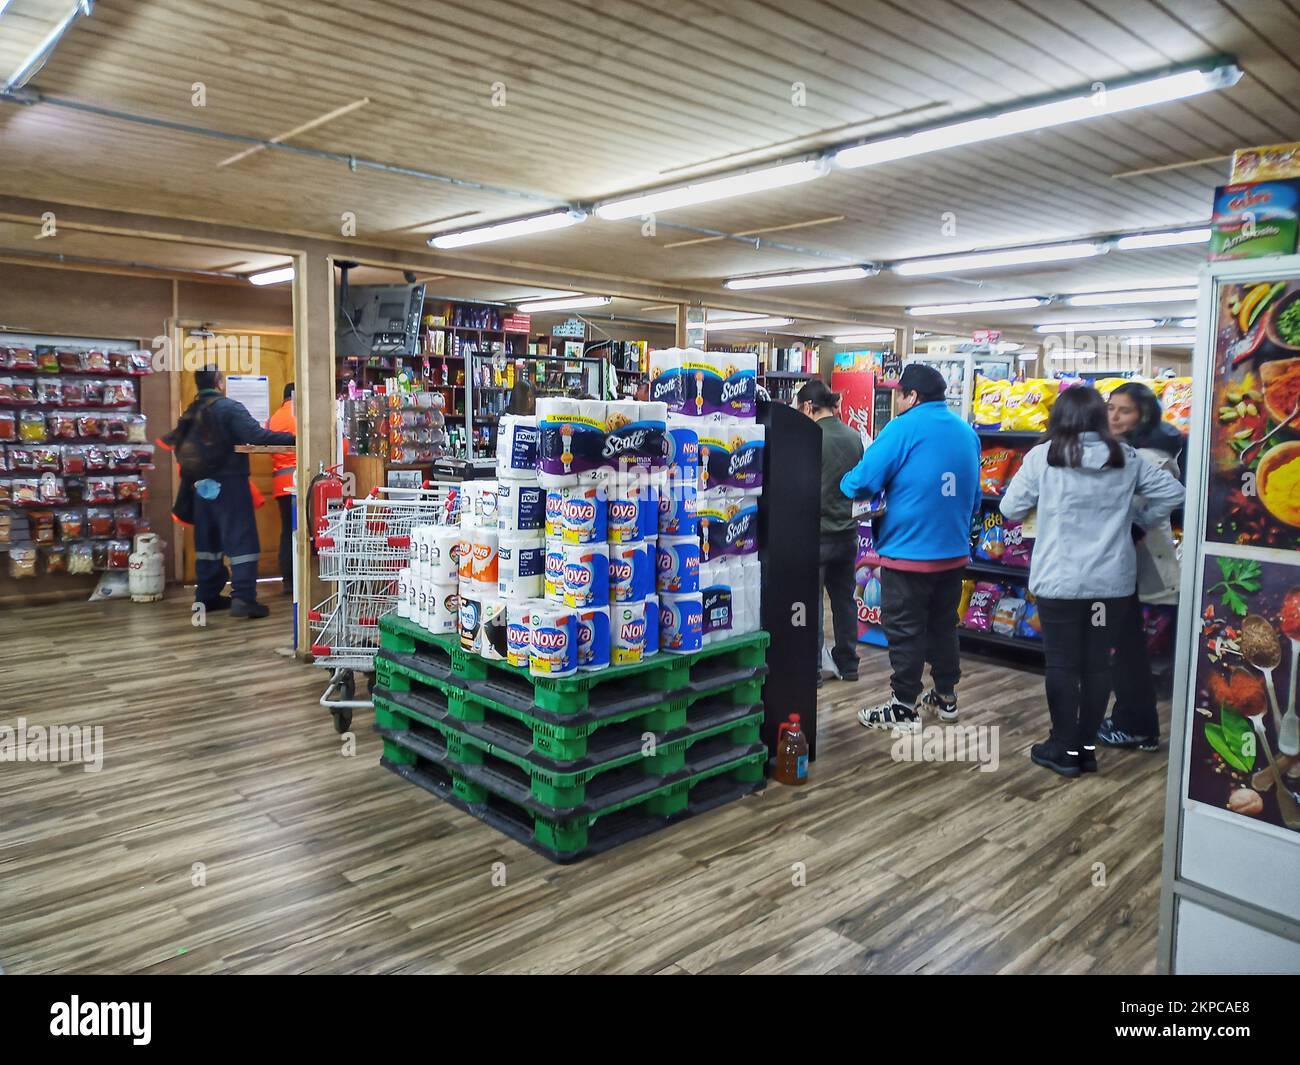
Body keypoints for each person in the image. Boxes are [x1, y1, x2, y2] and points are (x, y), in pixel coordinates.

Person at [1000, 386, 1184, 777]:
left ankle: (1063, 747)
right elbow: (1174, 491)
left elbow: (1010, 508)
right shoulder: (1126, 457)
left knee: (1063, 664)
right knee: (1097, 665)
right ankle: (1085, 747)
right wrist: (1142, 519)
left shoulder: (1042, 457)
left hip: (1060, 583)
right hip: (1109, 587)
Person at [841, 363, 981, 732]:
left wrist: (844, 483)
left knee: (905, 628)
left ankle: (903, 707)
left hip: (910, 552)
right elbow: (975, 496)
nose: (897, 401)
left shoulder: (902, 427)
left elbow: (862, 481)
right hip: (953, 552)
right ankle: (946, 697)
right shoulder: (967, 433)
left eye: (898, 395)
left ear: (911, 396)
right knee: (943, 625)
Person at [165, 366, 296, 620]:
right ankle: (244, 599)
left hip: (200, 487)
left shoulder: (191, 412)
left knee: (208, 542)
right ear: (219, 382)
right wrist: (293, 439)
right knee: (241, 541)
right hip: (230, 486)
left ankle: (206, 595)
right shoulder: (229, 408)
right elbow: (254, 435)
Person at [1097, 382, 1185, 751]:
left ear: (1143, 416)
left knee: (1124, 645)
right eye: (1111, 407)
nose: (1114, 416)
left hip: (1130, 562)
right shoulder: (1128, 449)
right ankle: (1133, 719)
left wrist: (1137, 524)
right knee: (1123, 642)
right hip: (1121, 561)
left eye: (1125, 410)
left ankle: (1135, 723)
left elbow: (1166, 499)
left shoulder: (1146, 456)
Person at [798, 380, 864, 687]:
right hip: (849, 535)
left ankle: (811, 670)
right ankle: (848, 664)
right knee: (844, 602)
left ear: (808, 407)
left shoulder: (808, 437)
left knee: (812, 605)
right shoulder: (854, 437)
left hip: (817, 534)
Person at [268, 383, 297, 596]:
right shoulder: (302, 415)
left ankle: (287, 580)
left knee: (287, 531)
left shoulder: (274, 418)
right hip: (301, 482)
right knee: (305, 532)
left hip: (280, 484)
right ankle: (303, 578)